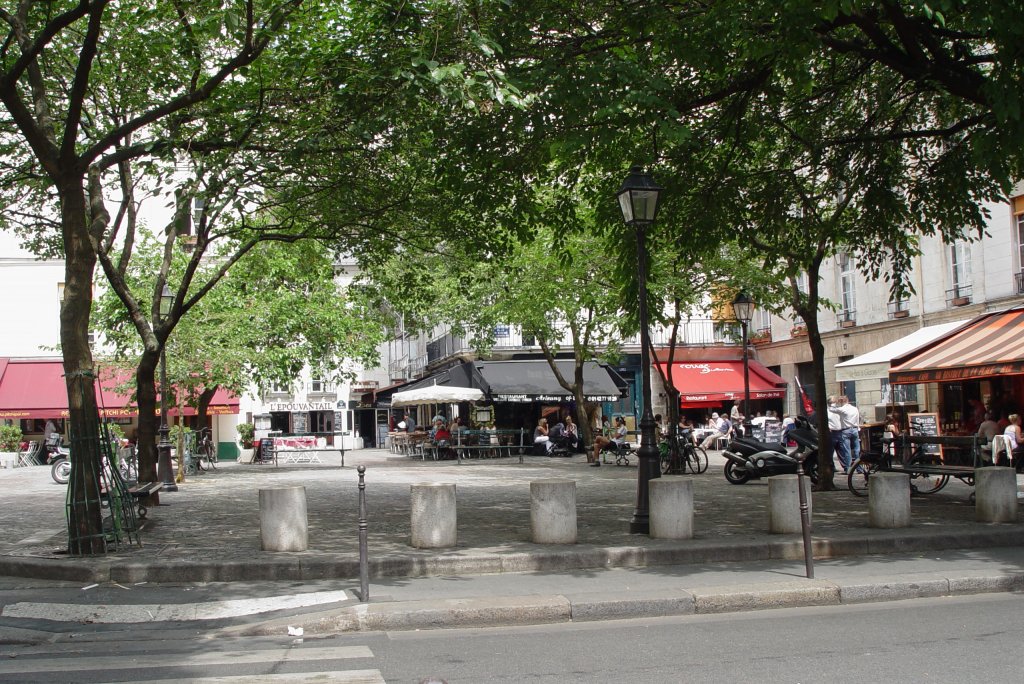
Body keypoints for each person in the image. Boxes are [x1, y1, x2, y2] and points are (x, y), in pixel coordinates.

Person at [830, 395, 861, 472]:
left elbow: (831, 409)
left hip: (846, 430)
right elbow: (858, 419)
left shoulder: (843, 409)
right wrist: (858, 427)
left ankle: (848, 469)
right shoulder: (855, 408)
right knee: (857, 450)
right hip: (855, 429)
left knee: (847, 450)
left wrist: (835, 403)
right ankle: (858, 467)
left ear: (841, 401)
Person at [826, 396, 847, 471]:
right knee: (831, 451)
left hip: (840, 431)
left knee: (841, 450)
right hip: (832, 432)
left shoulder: (839, 410)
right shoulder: (827, 411)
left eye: (835, 402)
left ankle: (845, 466)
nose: (834, 404)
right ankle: (832, 467)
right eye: (832, 402)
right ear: (829, 403)